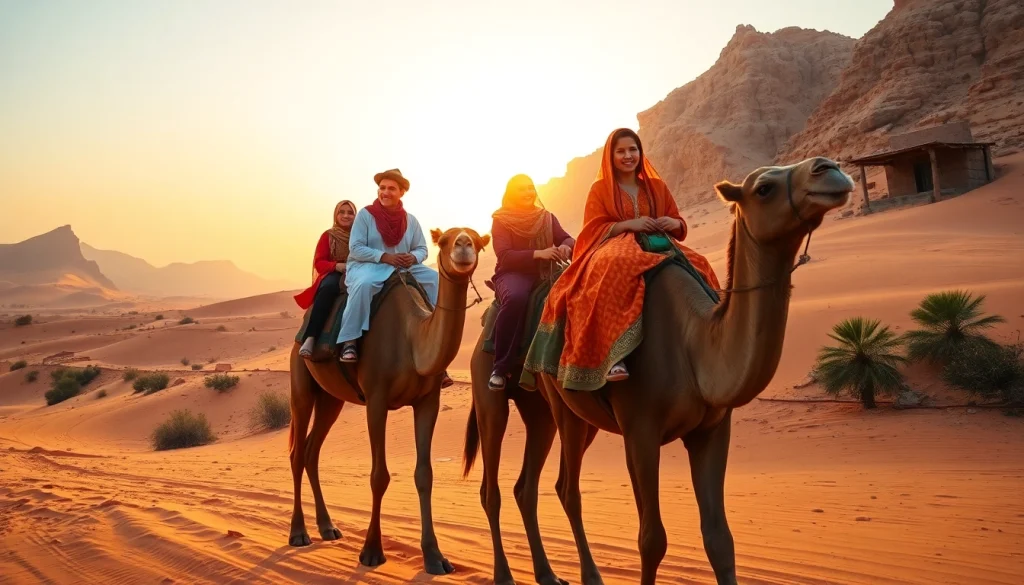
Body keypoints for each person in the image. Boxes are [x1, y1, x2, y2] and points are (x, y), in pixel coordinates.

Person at [523, 128, 720, 390]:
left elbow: (678, 222)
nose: (628, 156)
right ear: (611, 155)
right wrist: (631, 224)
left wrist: (671, 221)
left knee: (701, 263)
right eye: (621, 151)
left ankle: (714, 340)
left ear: (640, 152)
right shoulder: (600, 190)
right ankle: (616, 357)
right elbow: (593, 228)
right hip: (616, 244)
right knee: (618, 265)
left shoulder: (657, 186)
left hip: (659, 242)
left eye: (633, 150)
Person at [337, 168, 453, 387]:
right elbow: (356, 248)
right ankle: (349, 340)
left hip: (402, 267)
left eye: (391, 188)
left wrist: (412, 257)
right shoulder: (365, 215)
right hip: (368, 266)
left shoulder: (410, 220)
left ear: (401, 192)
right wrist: (384, 256)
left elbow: (422, 249)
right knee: (363, 285)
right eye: (382, 188)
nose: (385, 192)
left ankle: (434, 337)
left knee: (435, 279)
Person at [487, 174, 575, 391]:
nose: (528, 193)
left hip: (548, 272)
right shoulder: (501, 220)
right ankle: (500, 367)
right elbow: (505, 255)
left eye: (530, 188)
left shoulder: (545, 217)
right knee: (516, 299)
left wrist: (566, 246)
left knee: (579, 291)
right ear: (511, 194)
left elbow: (566, 237)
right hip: (513, 273)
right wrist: (539, 253)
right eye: (521, 189)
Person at [294, 200, 356, 357]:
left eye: (350, 212)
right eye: (342, 212)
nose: (346, 215)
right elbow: (319, 263)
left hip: (358, 272)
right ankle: (311, 337)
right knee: (328, 289)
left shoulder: (360, 236)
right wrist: (337, 266)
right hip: (335, 272)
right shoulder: (328, 236)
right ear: (336, 214)